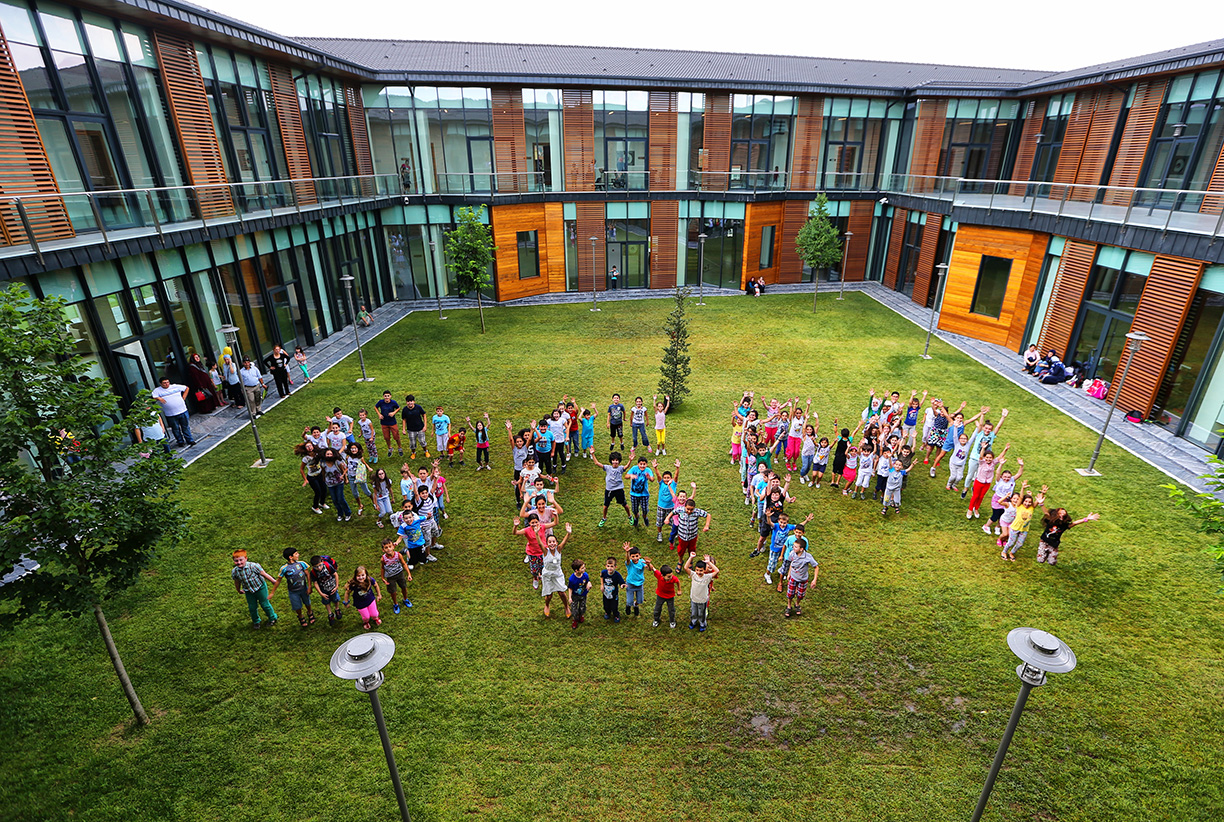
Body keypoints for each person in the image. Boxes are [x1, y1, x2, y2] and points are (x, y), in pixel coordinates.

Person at [1036, 503, 1100, 566]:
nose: (1062, 515)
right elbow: (1046, 513)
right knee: (1040, 560)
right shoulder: (1051, 521)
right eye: (1060, 513)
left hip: (1054, 544)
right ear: (1056, 514)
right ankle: (1045, 553)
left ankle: (1049, 554)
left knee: (1052, 562)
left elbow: (1075, 523)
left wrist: (1086, 519)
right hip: (1044, 542)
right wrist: (1041, 504)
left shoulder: (1064, 525)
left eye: (1064, 514)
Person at [231, 549, 277, 628]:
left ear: (246, 558)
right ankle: (256, 621)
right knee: (252, 607)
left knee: (265, 604)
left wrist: (273, 581)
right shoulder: (235, 571)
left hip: (260, 587)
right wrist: (238, 590)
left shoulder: (253, 566)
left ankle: (272, 618)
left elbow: (264, 574)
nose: (239, 562)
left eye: (241, 560)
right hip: (248, 590)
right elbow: (237, 582)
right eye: (236, 561)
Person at [270, 548, 315, 628]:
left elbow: (307, 574)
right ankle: (300, 616)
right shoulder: (284, 568)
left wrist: (310, 586)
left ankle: (310, 612)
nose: (298, 555)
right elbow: (278, 580)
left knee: (307, 602)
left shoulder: (302, 564)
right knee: (297, 606)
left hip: (304, 588)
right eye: (296, 553)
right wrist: (272, 592)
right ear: (290, 557)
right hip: (293, 591)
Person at [591, 450, 633, 527]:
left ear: (619, 461)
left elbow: (626, 467)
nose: (615, 462)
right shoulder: (607, 468)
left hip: (619, 490)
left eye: (616, 460)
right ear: (611, 461)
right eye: (613, 460)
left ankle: (630, 516)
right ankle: (604, 518)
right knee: (605, 506)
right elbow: (597, 463)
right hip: (609, 490)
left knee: (624, 504)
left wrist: (630, 460)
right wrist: (592, 454)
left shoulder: (620, 468)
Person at [151, 376, 196, 447]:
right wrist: (159, 398)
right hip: (170, 414)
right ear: (160, 384)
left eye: (167, 382)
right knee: (175, 428)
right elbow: (153, 396)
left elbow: (186, 388)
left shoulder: (175, 387)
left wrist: (183, 397)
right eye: (164, 383)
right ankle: (180, 441)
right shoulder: (157, 390)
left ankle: (189, 440)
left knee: (185, 426)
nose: (166, 384)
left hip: (182, 410)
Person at [541, 524, 572, 619]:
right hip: (547, 574)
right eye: (549, 542)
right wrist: (537, 534)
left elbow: (565, 541)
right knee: (549, 595)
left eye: (553, 541)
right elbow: (539, 543)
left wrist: (568, 533)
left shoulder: (559, 549)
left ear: (556, 542)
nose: (552, 543)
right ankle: (547, 605)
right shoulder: (545, 551)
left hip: (557, 573)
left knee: (562, 592)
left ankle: (566, 607)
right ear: (547, 544)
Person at [783, 538, 818, 618]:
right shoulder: (792, 553)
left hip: (803, 579)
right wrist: (789, 574)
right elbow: (792, 563)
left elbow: (816, 567)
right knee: (790, 594)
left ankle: (797, 604)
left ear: (801, 549)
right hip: (793, 577)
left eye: (795, 547)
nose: (793, 548)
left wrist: (814, 580)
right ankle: (789, 606)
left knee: (801, 595)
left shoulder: (808, 557)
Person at [684, 553, 719, 632]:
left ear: (705, 570)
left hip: (703, 600)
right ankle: (693, 622)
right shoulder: (693, 575)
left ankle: (702, 624)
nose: (698, 572)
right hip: (694, 598)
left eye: (701, 570)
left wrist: (708, 562)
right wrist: (691, 557)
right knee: (694, 612)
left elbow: (717, 571)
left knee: (701, 614)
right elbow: (685, 567)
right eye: (697, 570)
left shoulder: (707, 577)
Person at [672, 497, 712, 567]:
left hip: (692, 536)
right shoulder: (680, 510)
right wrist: (667, 518)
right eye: (688, 509)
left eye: (691, 509)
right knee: (681, 550)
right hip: (682, 536)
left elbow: (708, 515)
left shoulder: (697, 512)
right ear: (685, 507)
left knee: (692, 550)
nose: (689, 511)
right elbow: (672, 512)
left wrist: (707, 525)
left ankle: (690, 561)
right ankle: (680, 561)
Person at [513, 512, 548, 589]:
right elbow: (515, 533)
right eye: (532, 522)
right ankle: (535, 579)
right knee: (534, 569)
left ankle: (541, 576)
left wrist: (555, 516)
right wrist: (515, 526)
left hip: (542, 552)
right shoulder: (527, 530)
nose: (535, 524)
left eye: (536, 522)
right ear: (529, 523)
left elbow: (555, 523)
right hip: (532, 553)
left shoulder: (542, 527)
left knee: (543, 566)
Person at [378, 537, 413, 614]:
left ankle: (405, 599)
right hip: (390, 577)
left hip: (400, 574)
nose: (388, 549)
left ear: (393, 546)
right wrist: (383, 578)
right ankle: (395, 604)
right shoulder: (383, 559)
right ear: (383, 550)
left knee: (404, 587)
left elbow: (404, 564)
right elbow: (382, 568)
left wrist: (409, 574)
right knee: (393, 591)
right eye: (386, 548)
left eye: (390, 546)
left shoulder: (398, 555)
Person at [643, 556, 678, 628]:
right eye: (668, 576)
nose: (671, 577)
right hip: (660, 596)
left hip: (670, 596)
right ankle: (656, 620)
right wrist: (649, 564)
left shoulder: (673, 578)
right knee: (657, 609)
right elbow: (653, 569)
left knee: (671, 610)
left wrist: (679, 590)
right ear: (662, 575)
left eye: (671, 575)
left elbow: (677, 582)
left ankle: (672, 621)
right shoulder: (659, 575)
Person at [310, 554, 343, 625]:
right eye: (316, 567)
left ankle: (337, 609)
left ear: (322, 562)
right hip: (323, 590)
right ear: (313, 566)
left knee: (335, 599)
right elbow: (315, 583)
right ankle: (330, 614)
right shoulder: (313, 572)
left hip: (332, 587)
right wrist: (321, 593)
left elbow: (335, 574)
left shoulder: (328, 566)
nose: (319, 568)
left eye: (320, 565)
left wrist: (336, 586)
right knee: (326, 602)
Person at [346, 566, 382, 630]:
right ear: (355, 576)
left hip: (370, 600)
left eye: (363, 575)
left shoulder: (369, 580)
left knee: (374, 614)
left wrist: (379, 594)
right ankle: (366, 622)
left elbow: (376, 585)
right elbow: (347, 592)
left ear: (366, 574)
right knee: (366, 617)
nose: (361, 577)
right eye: (358, 576)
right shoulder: (354, 584)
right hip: (360, 604)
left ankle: (375, 618)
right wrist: (346, 602)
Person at [297, 441, 327, 514]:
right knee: (318, 492)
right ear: (305, 449)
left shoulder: (317, 454)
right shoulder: (306, 459)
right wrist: (305, 479)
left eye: (310, 446)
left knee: (324, 489)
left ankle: (322, 503)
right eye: (307, 446)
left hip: (319, 474)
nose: (309, 447)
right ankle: (315, 507)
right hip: (312, 477)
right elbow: (301, 469)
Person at [626, 454, 655, 528]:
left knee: (645, 509)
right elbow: (626, 476)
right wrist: (630, 476)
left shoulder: (648, 470)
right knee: (635, 509)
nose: (642, 466)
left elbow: (652, 479)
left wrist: (649, 477)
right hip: (634, 494)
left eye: (644, 464)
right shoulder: (634, 468)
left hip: (644, 494)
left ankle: (645, 517)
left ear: (646, 464)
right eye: (641, 464)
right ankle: (636, 517)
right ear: (638, 464)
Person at [622, 543, 647, 616]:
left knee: (640, 600)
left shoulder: (642, 561)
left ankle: (635, 605)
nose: (635, 558)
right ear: (630, 557)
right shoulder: (629, 563)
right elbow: (627, 559)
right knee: (629, 601)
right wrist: (627, 552)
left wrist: (648, 564)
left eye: (637, 556)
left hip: (639, 585)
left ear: (640, 555)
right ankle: (628, 606)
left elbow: (648, 568)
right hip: (630, 584)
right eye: (633, 556)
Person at [376, 391, 403, 457]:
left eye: (388, 396)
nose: (387, 397)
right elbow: (375, 407)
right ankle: (390, 448)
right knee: (386, 437)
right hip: (384, 423)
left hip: (392, 422)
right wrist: (379, 414)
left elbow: (398, 408)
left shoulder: (393, 402)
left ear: (390, 396)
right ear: (383, 396)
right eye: (385, 396)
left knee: (396, 436)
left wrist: (394, 412)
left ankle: (399, 448)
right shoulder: (381, 402)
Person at [600, 556, 625, 622]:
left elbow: (621, 582)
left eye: (611, 566)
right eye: (608, 566)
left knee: (614, 607)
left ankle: (616, 615)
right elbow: (601, 577)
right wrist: (602, 585)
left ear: (615, 567)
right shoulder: (604, 572)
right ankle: (607, 612)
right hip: (605, 594)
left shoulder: (617, 575)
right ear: (606, 566)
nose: (609, 568)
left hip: (614, 595)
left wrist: (622, 585)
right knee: (606, 605)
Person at [567, 559, 591, 629]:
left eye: (584, 567)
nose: (584, 569)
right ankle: (575, 619)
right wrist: (570, 597)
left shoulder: (585, 575)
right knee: (574, 609)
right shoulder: (572, 579)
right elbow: (570, 588)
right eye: (582, 568)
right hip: (574, 596)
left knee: (582, 607)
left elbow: (588, 581)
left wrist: (589, 584)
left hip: (583, 595)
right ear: (576, 570)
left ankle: (581, 615)